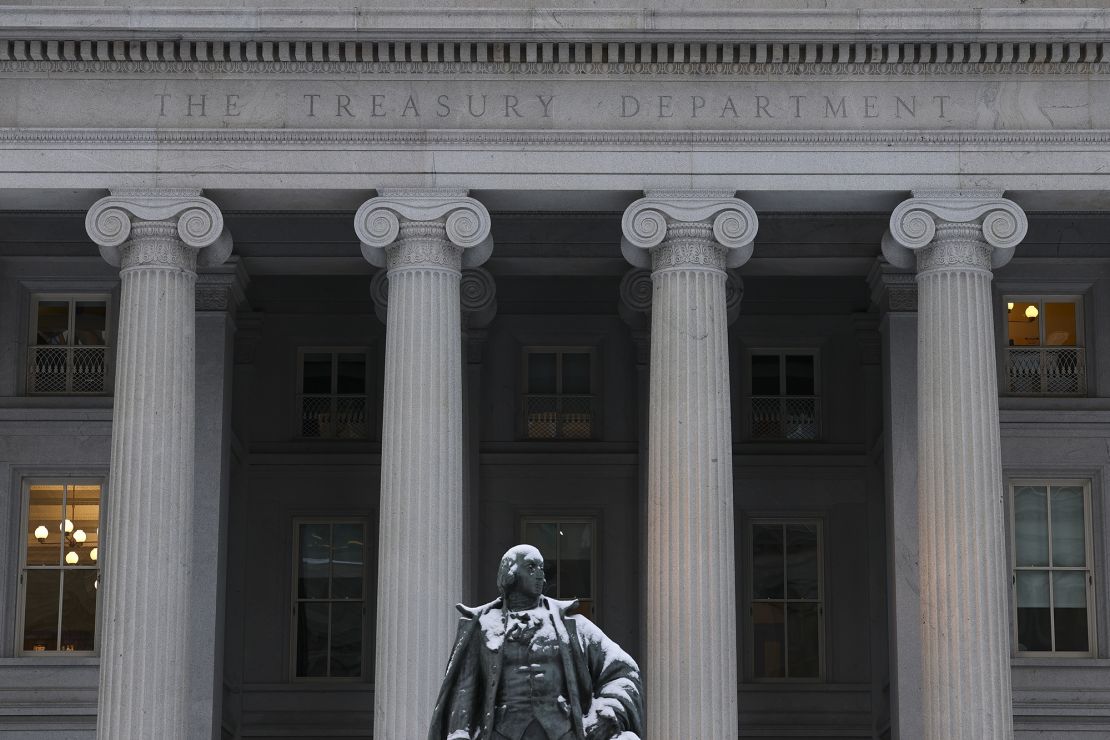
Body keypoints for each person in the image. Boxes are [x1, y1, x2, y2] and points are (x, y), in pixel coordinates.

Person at [428, 544, 643, 740]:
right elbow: (466, 689)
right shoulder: (483, 626)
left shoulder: (571, 625)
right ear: (510, 573)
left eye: (542, 568)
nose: (541, 574)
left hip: (562, 732)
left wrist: (608, 711)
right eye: (531, 567)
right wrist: (460, 734)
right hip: (502, 733)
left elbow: (624, 670)